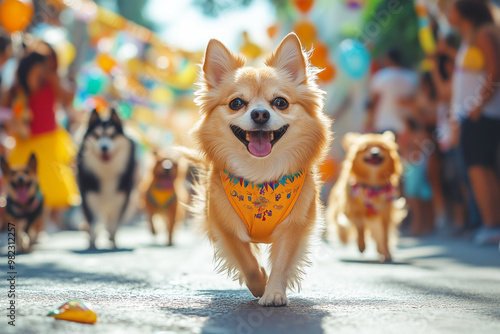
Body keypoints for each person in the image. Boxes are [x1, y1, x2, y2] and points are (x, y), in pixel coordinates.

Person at [3, 51, 80, 227]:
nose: (46, 70)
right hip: (25, 144)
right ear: (29, 67)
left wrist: (59, 80)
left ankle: (45, 224)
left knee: (49, 188)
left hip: (49, 142)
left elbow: (67, 99)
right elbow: (5, 109)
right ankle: (28, 227)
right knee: (24, 189)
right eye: (43, 66)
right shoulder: (17, 87)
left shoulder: (50, 81)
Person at [448, 0, 500, 245]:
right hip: (472, 115)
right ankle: (491, 224)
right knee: (478, 169)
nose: (449, 12)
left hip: (483, 114)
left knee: (480, 168)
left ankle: (492, 225)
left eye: (453, 7)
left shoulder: (484, 34)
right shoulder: (471, 35)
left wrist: (479, 105)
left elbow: (496, 71)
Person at [366, 48, 418, 137]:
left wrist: (369, 123)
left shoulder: (381, 76)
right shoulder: (412, 76)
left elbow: (373, 102)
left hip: (383, 126)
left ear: (388, 59)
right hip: (406, 128)